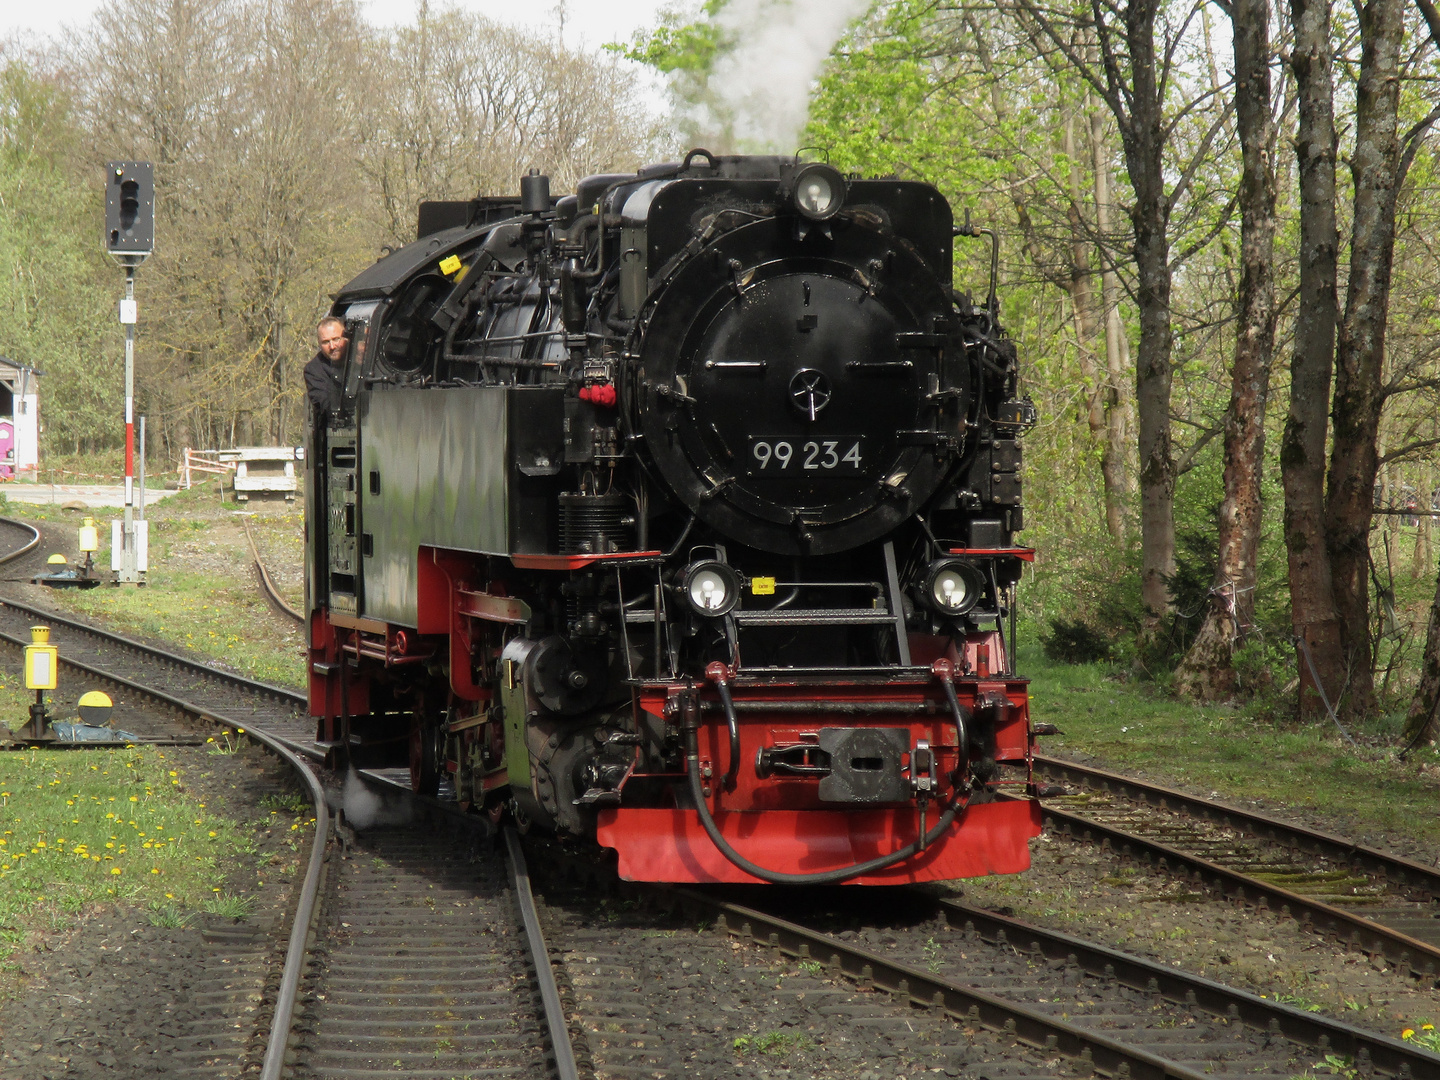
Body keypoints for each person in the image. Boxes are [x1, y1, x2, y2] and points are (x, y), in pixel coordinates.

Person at [304, 316, 348, 416]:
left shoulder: (360, 360)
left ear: (346, 337)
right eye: (326, 342)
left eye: (336, 339)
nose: (332, 346)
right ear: (319, 343)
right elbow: (326, 405)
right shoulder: (313, 370)